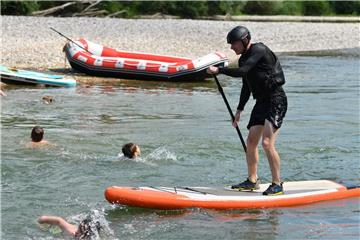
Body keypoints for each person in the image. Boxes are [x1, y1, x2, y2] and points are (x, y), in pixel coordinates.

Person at [207, 26, 288, 195]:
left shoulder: (259, 50)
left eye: (234, 44)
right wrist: (239, 110)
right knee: (251, 142)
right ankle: (252, 180)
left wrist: (219, 70)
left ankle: (277, 184)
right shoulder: (244, 59)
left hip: (276, 100)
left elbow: (242, 72)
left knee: (266, 143)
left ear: (244, 40)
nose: (231, 48)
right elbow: (246, 85)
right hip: (261, 102)